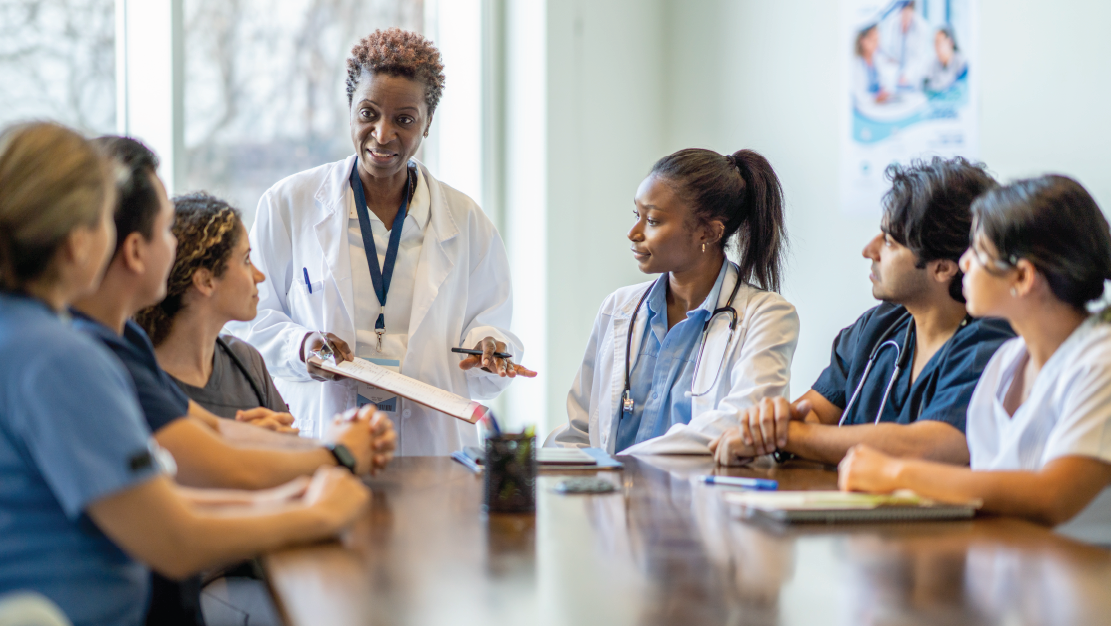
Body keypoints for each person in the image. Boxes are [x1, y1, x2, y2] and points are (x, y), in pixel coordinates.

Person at [0, 121, 370, 626]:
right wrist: (318, 508)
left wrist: (290, 494)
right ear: (77, 243)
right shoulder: (59, 356)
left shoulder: (26, 335)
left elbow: (159, 496)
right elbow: (173, 538)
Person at [229, 27, 535, 454]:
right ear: (350, 109)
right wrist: (302, 347)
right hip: (322, 437)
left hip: (432, 449)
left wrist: (489, 348)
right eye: (368, 113)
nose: (383, 134)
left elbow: (491, 327)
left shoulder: (467, 222)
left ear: (427, 124)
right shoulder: (288, 204)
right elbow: (245, 322)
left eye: (405, 119)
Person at [74, 136, 396, 491]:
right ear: (135, 250)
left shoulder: (128, 345)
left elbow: (215, 436)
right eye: (165, 230)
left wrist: (271, 441)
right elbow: (190, 500)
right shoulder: (87, 359)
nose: (173, 247)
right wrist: (339, 455)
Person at [840, 175, 1111, 542]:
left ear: (1023, 276)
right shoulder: (1006, 362)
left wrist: (896, 474)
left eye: (979, 252)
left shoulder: (1100, 361)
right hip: (1011, 573)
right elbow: (984, 488)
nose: (964, 262)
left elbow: (1052, 497)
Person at [711, 157, 1014, 467]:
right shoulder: (880, 324)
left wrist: (788, 437)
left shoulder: (991, 343)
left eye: (890, 241)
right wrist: (775, 423)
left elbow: (935, 444)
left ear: (942, 268)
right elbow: (816, 412)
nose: (869, 250)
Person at [548, 148, 799, 454]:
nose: (633, 233)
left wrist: (620, 465)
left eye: (652, 220)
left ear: (708, 231)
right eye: (636, 216)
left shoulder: (768, 317)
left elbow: (741, 425)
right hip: (612, 499)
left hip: (702, 499)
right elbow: (582, 431)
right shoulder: (618, 308)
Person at [135, 192, 290, 424]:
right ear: (206, 281)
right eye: (246, 260)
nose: (259, 276)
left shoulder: (246, 362)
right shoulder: (138, 379)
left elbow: (294, 450)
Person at [923, 26, 968, 94]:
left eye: (939, 42)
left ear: (950, 43)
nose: (936, 46)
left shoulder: (961, 64)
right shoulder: (933, 63)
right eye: (935, 42)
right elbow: (926, 85)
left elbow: (959, 90)